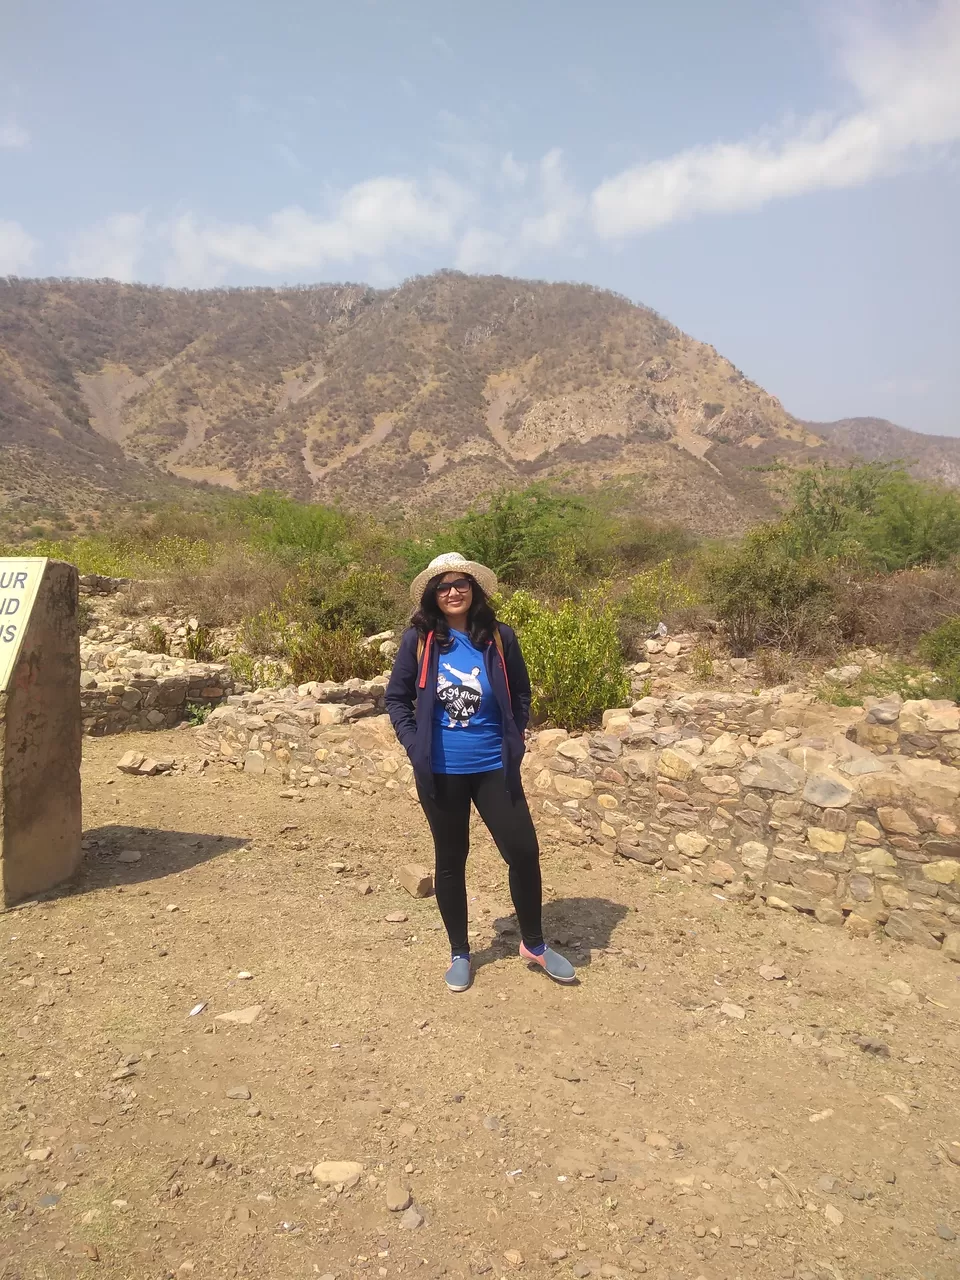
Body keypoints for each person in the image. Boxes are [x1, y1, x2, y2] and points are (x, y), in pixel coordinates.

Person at [386, 552, 576, 993]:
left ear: (475, 589)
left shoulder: (499, 637)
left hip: (494, 767)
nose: (453, 592)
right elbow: (396, 699)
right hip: (441, 771)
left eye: (461, 584)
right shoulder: (419, 639)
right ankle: (460, 952)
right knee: (451, 862)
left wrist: (513, 737)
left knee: (524, 852)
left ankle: (534, 943)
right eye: (444, 586)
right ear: (433, 595)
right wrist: (415, 746)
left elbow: (522, 693)